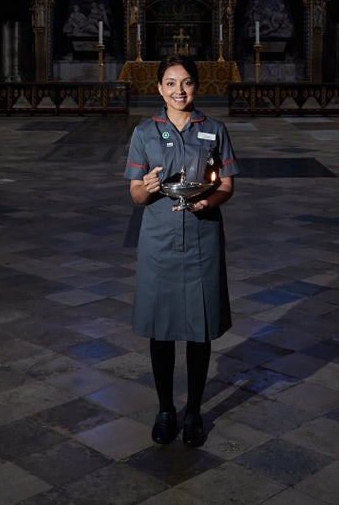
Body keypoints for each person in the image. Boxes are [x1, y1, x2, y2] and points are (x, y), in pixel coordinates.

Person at [124, 54, 240, 447]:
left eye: (187, 82)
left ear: (196, 87)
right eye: (171, 83)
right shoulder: (144, 132)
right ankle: (164, 409)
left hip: (203, 238)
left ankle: (193, 410)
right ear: (158, 88)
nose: (179, 90)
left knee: (198, 328)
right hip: (158, 240)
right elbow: (136, 193)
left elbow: (226, 185)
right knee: (160, 328)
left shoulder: (214, 129)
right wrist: (149, 187)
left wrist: (208, 203)